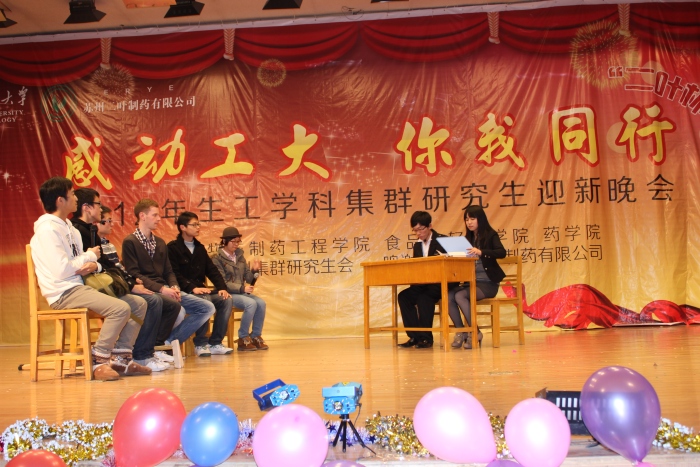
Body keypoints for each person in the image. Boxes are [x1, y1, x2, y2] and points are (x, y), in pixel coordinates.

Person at [29, 177, 151, 381]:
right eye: (72, 194)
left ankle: (121, 359)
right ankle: (98, 360)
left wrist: (93, 262)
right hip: (63, 292)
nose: (76, 198)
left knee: (138, 304)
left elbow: (85, 264)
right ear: (60, 200)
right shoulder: (48, 230)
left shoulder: (69, 227)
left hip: (81, 285)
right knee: (120, 308)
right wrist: (89, 256)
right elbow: (62, 269)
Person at [122, 199, 215, 354]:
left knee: (207, 307)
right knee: (178, 310)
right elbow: (134, 274)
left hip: (166, 289)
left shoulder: (159, 242)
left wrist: (174, 286)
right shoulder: (130, 242)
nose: (159, 219)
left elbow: (168, 271)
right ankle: (158, 347)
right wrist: (161, 289)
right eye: (155, 215)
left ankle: (167, 343)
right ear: (142, 216)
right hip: (149, 290)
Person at [96, 205, 171, 371]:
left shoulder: (108, 245)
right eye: (107, 221)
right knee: (152, 301)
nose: (111, 224)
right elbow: (105, 274)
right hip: (107, 289)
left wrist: (130, 281)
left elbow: (118, 270)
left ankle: (134, 353)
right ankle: (140, 354)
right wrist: (131, 284)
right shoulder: (97, 246)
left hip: (121, 286)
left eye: (111, 220)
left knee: (166, 304)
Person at [168, 212, 234, 357]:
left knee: (226, 300)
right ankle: (200, 343)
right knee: (205, 300)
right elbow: (174, 274)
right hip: (185, 292)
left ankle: (215, 342)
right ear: (182, 227)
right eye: (194, 224)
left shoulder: (199, 248)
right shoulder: (172, 248)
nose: (198, 227)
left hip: (201, 290)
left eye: (198, 224)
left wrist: (222, 288)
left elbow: (212, 270)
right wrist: (192, 288)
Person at [448, 205, 506, 349]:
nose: (469, 222)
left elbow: (501, 252)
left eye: (472, 219)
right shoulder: (466, 239)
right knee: (448, 295)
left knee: (460, 296)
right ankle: (461, 332)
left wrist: (481, 252)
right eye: (467, 219)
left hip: (488, 283)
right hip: (470, 282)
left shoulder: (490, 235)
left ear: (480, 219)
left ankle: (474, 332)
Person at [397, 211, 450, 349]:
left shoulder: (443, 241)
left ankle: (426, 338)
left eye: (421, 229)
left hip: (440, 283)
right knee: (404, 296)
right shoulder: (417, 245)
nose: (418, 233)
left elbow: (452, 264)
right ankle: (414, 336)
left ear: (430, 226)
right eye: (415, 230)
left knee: (424, 298)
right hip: (423, 283)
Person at [212, 226, 268, 351]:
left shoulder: (240, 256)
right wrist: (242, 288)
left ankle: (255, 336)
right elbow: (221, 282)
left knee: (261, 303)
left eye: (238, 241)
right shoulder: (217, 258)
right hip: (226, 293)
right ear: (224, 241)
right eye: (233, 241)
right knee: (251, 303)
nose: (236, 244)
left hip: (240, 292)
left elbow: (248, 278)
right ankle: (243, 338)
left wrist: (255, 271)